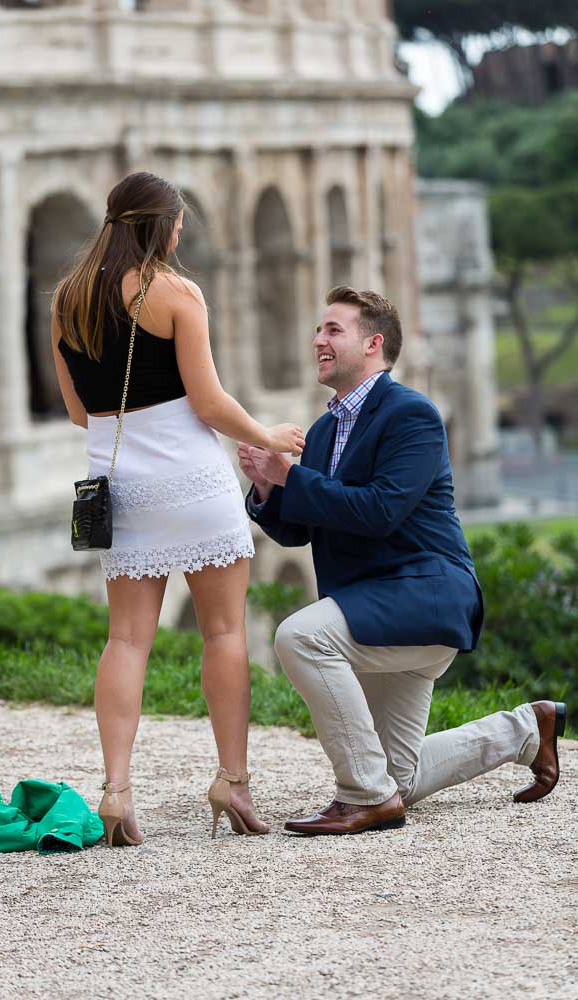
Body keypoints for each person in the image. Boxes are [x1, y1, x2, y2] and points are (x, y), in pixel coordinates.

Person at [239, 286, 566, 835]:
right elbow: (299, 529)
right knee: (402, 777)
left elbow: (380, 511)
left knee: (300, 637)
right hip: (374, 610)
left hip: (425, 598)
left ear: (373, 344)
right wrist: (267, 489)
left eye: (333, 330)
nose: (318, 339)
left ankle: (364, 797)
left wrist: (291, 476)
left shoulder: (412, 414)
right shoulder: (321, 431)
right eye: (318, 330)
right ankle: (527, 731)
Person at [50, 171, 306, 846]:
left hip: (119, 483)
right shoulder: (177, 293)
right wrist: (268, 436)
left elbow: (80, 412)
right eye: (179, 225)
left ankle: (115, 789)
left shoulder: (66, 301)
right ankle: (231, 779)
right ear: (160, 227)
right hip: (191, 481)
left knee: (126, 638)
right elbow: (209, 403)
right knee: (222, 632)